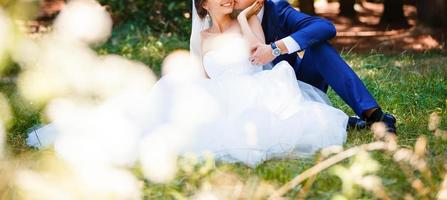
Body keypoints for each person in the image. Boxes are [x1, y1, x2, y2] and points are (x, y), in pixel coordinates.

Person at [232, 0, 396, 133]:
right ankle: (341, 121)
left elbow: (325, 27)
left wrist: (275, 48)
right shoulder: (218, 14)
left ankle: (374, 115)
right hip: (250, 97)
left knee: (319, 47)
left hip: (291, 86)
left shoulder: (277, 9)